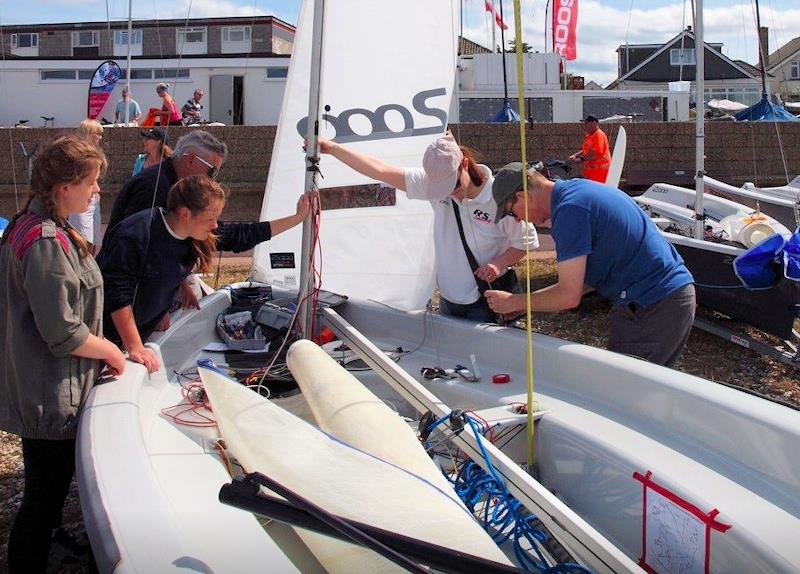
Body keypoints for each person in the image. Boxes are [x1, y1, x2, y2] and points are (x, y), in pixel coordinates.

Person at [0, 136, 126, 574]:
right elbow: (63, 332)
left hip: (48, 388)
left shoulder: (35, 227)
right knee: (42, 498)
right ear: (64, 187)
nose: (96, 191)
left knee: (45, 495)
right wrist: (113, 350)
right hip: (51, 395)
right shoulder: (45, 241)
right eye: (91, 182)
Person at [485, 163, 696, 367]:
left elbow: (569, 297)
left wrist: (514, 302)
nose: (517, 221)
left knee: (627, 391)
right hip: (664, 297)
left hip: (653, 303)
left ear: (522, 196)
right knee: (635, 389)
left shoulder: (570, 211)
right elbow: (581, 282)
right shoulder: (578, 192)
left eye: (512, 213)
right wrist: (523, 304)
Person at [97, 175, 309, 372]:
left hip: (142, 329)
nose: (215, 225)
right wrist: (134, 346)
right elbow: (118, 294)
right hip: (105, 337)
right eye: (211, 219)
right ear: (185, 214)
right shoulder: (135, 234)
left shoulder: (192, 231)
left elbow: (244, 235)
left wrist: (298, 218)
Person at [319, 135, 538, 322]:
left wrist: (498, 264)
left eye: (453, 185)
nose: (450, 193)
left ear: (465, 165)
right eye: (441, 188)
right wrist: (333, 148)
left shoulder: (499, 196)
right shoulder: (432, 185)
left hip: (484, 301)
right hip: (447, 300)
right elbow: (380, 170)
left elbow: (525, 242)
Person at [109, 130, 227, 228]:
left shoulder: (176, 183)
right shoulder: (154, 184)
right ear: (190, 160)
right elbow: (135, 238)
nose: (212, 180)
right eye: (212, 172)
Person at [68, 119, 104, 251]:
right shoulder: (77, 152)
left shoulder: (92, 152)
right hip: (81, 200)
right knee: (83, 239)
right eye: (97, 133)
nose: (100, 137)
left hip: (93, 198)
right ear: (88, 133)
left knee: (94, 241)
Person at [568, 115, 611, 184]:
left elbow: (595, 154)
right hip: (592, 172)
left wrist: (580, 159)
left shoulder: (598, 135)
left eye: (586, 123)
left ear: (594, 123)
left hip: (599, 171)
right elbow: (586, 150)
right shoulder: (590, 135)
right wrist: (575, 155)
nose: (585, 126)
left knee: (596, 191)